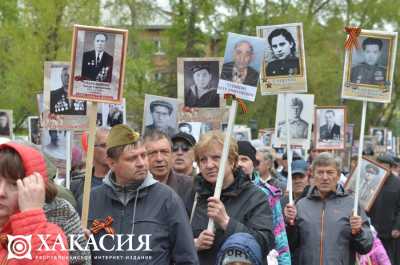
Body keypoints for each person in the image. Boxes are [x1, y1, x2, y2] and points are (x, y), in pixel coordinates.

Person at [78, 124, 199, 265]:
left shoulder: (168, 199)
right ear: (112, 163)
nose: (141, 163)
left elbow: (187, 259)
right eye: (132, 158)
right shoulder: (89, 201)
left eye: (143, 155)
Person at [189, 131, 274, 264]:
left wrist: (226, 222)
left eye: (216, 158)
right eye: (203, 159)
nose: (209, 165)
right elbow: (173, 241)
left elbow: (265, 243)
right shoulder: (193, 195)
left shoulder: (255, 197)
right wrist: (194, 245)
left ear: (232, 161)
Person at [284, 152, 373, 265]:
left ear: (338, 175)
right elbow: (289, 246)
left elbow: (365, 247)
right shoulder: (300, 205)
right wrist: (289, 224)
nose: (325, 177)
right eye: (320, 172)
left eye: (330, 172)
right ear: (312, 175)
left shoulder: (352, 205)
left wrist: (358, 231)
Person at [0, 142, 69, 264]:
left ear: (34, 188)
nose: (1, 192)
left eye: (14, 184)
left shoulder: (51, 236)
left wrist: (30, 218)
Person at [237, 141, 291, 265]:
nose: (239, 164)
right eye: (236, 159)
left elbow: (279, 235)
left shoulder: (268, 194)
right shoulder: (220, 191)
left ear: (254, 164)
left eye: (244, 159)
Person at [143, 129, 194, 212]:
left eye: (164, 152)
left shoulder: (190, 187)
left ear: (171, 154)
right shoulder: (134, 187)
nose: (159, 158)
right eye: (152, 153)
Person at [368, 154, 400, 264]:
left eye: (385, 166)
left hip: (390, 232)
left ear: (391, 168)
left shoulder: (397, 184)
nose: (382, 168)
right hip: (372, 229)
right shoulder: (372, 181)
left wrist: (397, 227)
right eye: (379, 165)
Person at [70, 128, 110, 202]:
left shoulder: (126, 183)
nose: (109, 150)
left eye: (112, 145)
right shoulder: (76, 186)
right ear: (91, 148)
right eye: (104, 145)